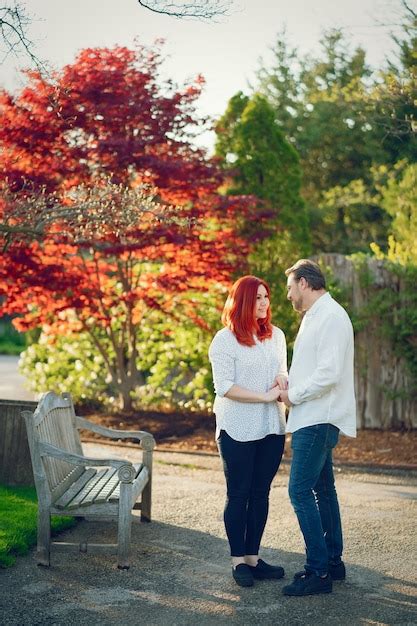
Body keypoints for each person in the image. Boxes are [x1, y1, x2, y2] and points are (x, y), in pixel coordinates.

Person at [278, 259, 356, 597]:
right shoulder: (315, 316)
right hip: (313, 416)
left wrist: (292, 395)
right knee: (324, 491)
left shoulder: (331, 316)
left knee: (299, 491)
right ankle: (333, 563)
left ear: (305, 283)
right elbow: (313, 368)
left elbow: (328, 374)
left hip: (318, 418)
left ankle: (318, 571)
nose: (288, 295)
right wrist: (288, 381)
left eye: (290, 287)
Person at [208, 275, 287, 588]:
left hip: (272, 426)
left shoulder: (276, 335)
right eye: (257, 298)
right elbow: (224, 387)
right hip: (237, 426)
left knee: (261, 492)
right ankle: (237, 560)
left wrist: (282, 382)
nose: (264, 303)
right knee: (239, 492)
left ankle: (254, 557)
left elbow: (282, 370)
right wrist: (264, 396)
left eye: (266, 297)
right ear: (241, 301)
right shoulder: (224, 340)